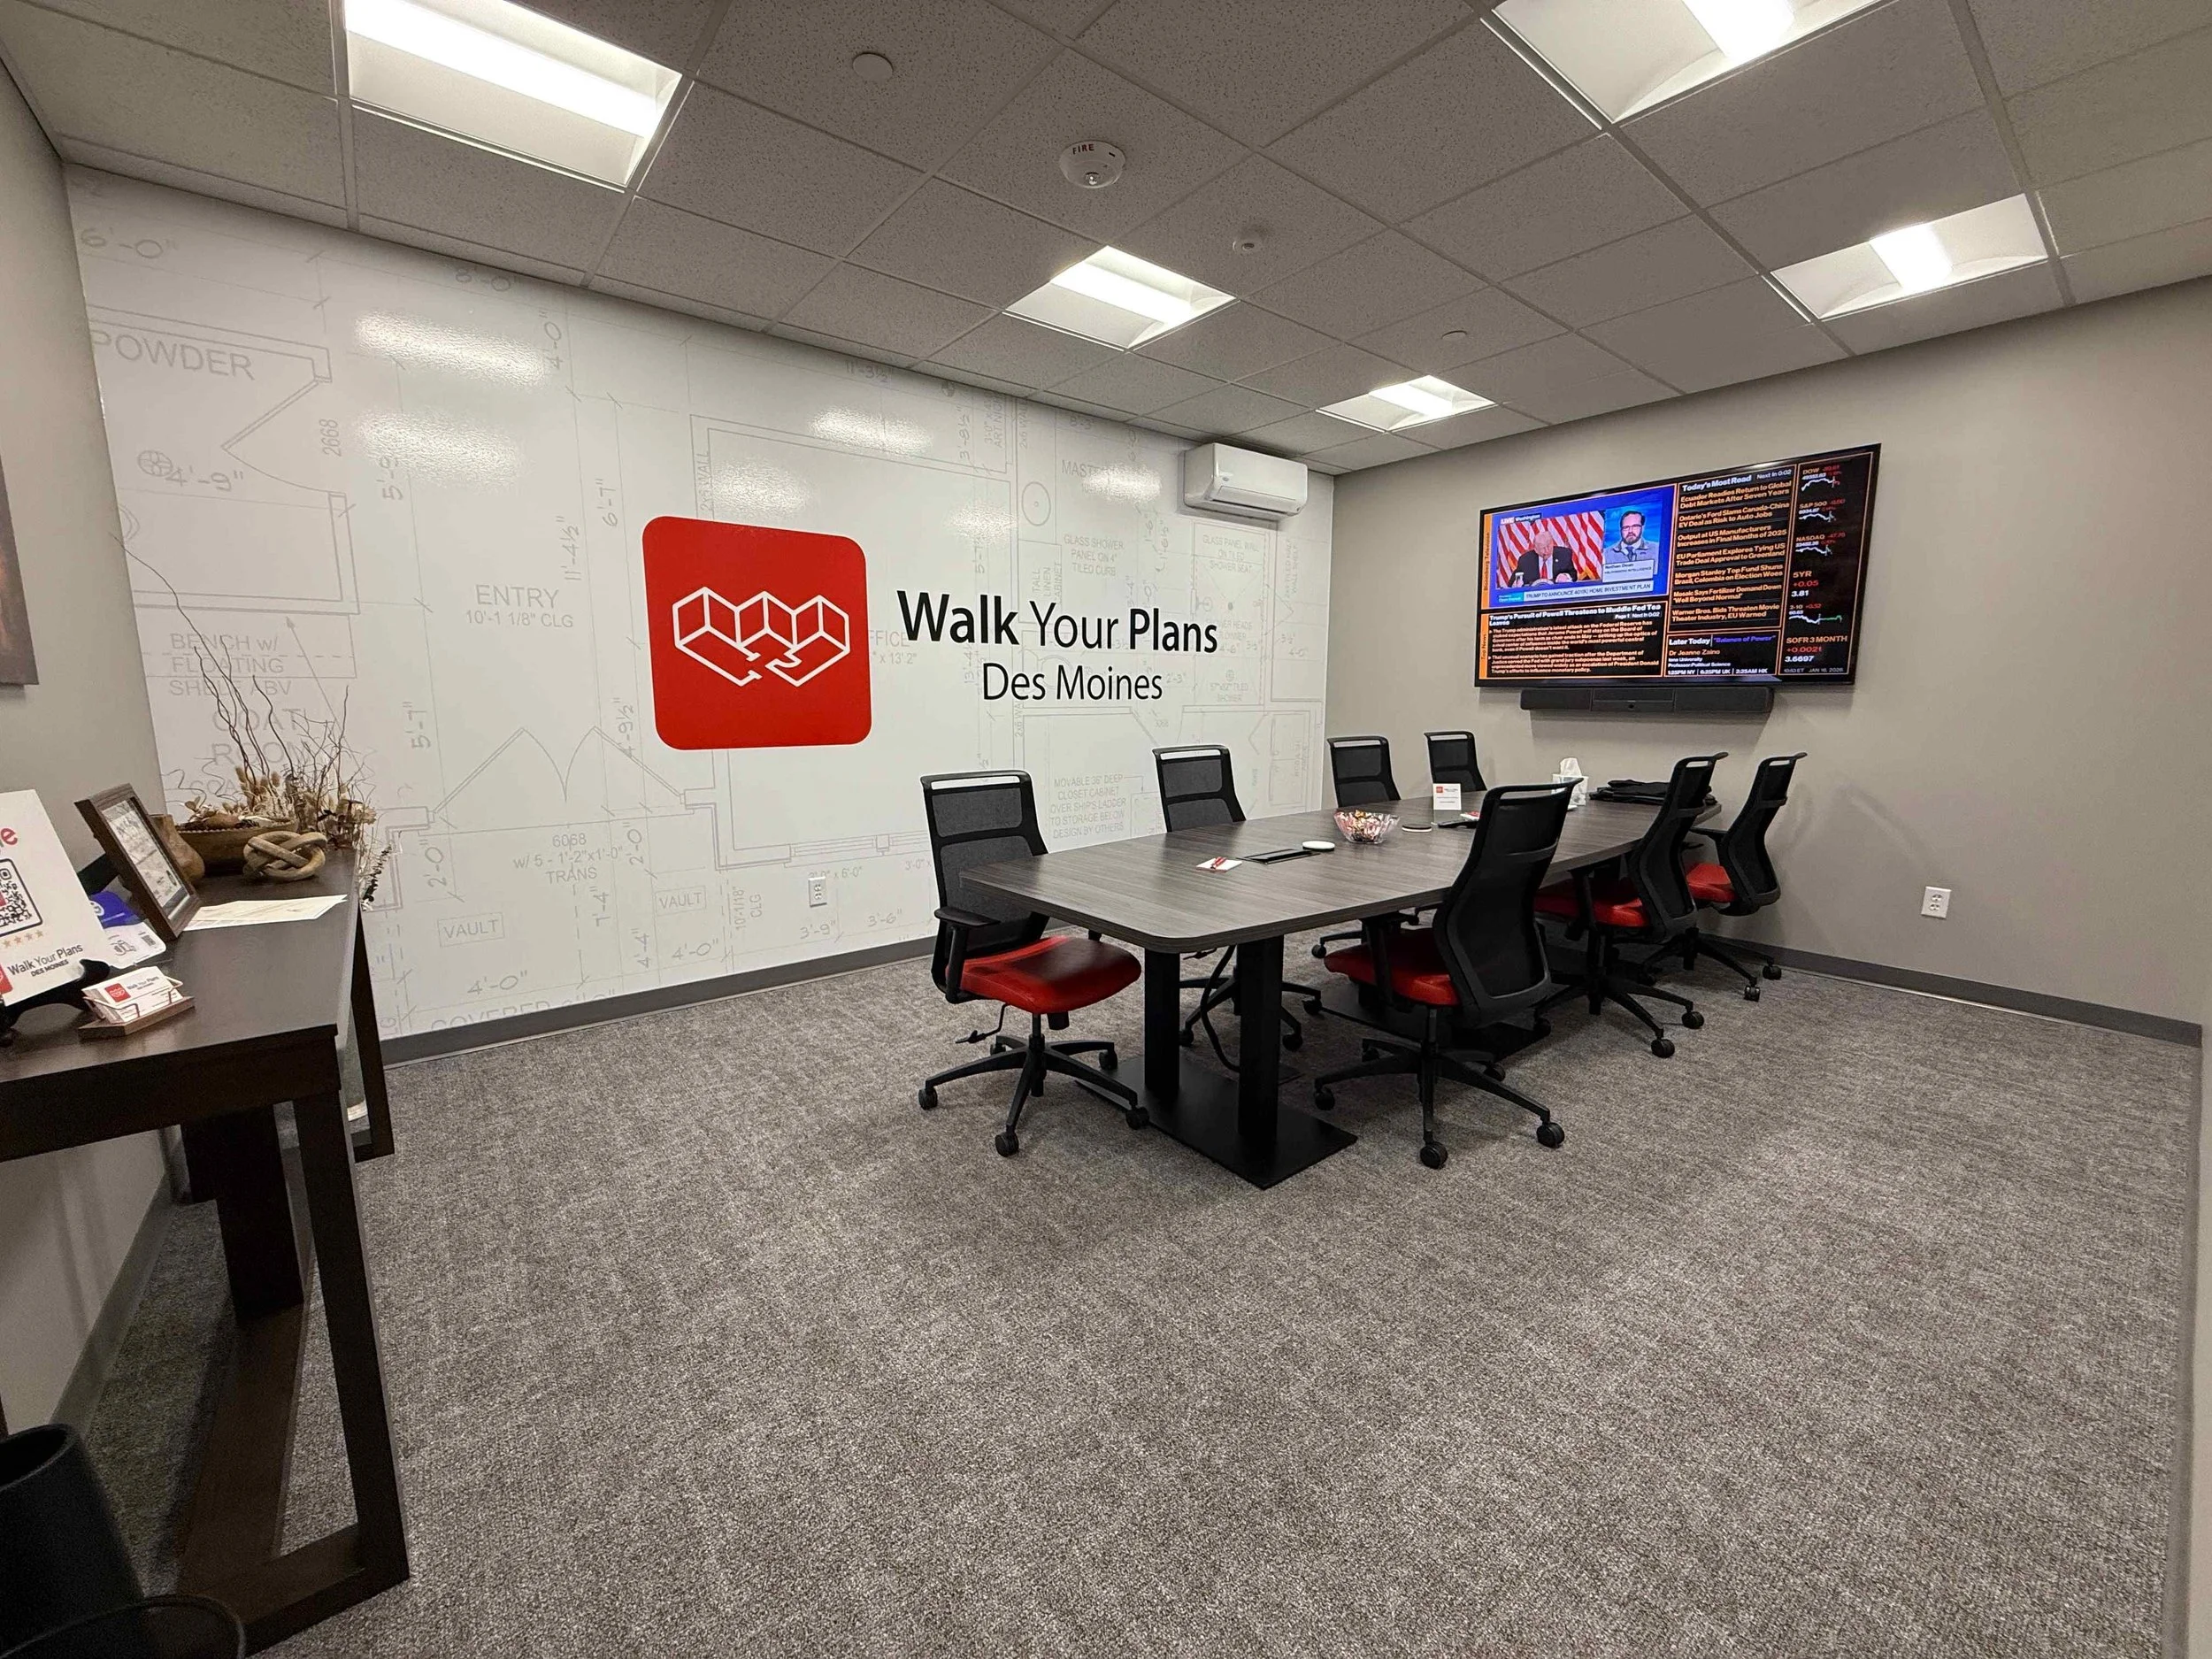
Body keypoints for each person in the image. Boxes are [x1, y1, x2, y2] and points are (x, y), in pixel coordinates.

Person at [1601, 509, 1660, 584]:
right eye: (1626, 527)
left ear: (1643, 527)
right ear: (1621, 530)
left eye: (1635, 526)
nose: (1630, 531)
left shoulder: (1657, 550)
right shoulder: (1606, 554)